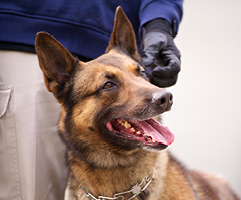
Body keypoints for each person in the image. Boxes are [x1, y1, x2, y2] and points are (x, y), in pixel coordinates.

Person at [0, 0, 183, 199]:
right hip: (24, 39)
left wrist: (159, 24)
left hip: (107, 37)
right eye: (109, 85)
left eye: (139, 73)